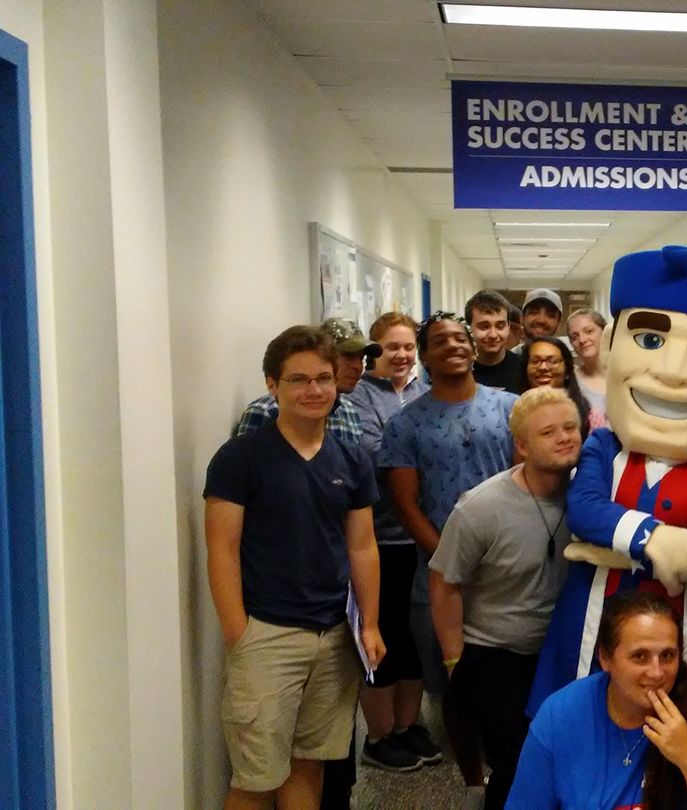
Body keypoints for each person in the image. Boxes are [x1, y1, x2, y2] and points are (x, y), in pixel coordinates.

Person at [530, 246, 687, 721]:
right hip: (595, 631)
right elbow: (585, 509)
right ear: (609, 345)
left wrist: (609, 547)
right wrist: (655, 539)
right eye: (649, 340)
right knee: (582, 738)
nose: (671, 371)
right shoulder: (604, 447)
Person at [203, 325, 385, 810]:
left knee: (311, 764)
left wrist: (370, 624)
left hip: (334, 635)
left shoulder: (352, 457)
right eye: (299, 380)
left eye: (323, 379)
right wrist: (237, 633)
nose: (314, 390)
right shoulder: (240, 459)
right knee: (256, 778)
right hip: (267, 634)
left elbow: (363, 547)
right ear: (272, 385)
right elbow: (221, 549)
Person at [430, 387, 583, 810]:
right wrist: (454, 659)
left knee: (564, 761)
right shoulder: (480, 507)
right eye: (548, 432)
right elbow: (444, 581)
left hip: (562, 653)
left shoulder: (589, 498)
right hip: (496, 654)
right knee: (517, 766)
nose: (564, 438)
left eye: (570, 427)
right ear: (521, 445)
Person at [510, 590, 687, 809]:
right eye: (640, 656)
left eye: (667, 656)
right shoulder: (561, 715)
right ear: (605, 658)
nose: (657, 672)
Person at [378, 312, 519, 699]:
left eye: (460, 338)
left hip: (507, 567)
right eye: (440, 341)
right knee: (450, 682)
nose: (453, 345)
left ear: (473, 350)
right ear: (424, 357)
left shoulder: (511, 408)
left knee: (510, 676)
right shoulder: (406, 424)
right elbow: (404, 503)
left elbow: (527, 482)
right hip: (439, 570)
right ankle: (463, 758)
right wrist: (449, 558)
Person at [346, 313, 440, 773]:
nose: (401, 355)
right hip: (378, 538)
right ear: (373, 351)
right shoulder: (358, 397)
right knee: (381, 635)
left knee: (416, 636)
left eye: (408, 347)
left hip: (421, 536)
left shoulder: (425, 392)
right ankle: (379, 735)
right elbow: (374, 453)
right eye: (391, 347)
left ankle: (408, 725)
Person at [233, 317, 379, 444]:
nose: (357, 366)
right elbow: (245, 466)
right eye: (348, 356)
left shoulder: (349, 412)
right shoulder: (266, 411)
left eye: (361, 358)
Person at [520, 336, 598, 438]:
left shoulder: (589, 416)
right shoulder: (514, 411)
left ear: (567, 371)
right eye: (535, 361)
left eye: (552, 361)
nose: (543, 367)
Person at [468, 290, 526, 394]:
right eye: (484, 327)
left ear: (508, 327)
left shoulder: (524, 369)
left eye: (500, 326)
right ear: (468, 328)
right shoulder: (458, 371)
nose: (493, 335)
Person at [567, 308, 609, 423]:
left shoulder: (625, 374)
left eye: (589, 331)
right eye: (574, 337)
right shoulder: (571, 381)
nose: (582, 340)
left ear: (605, 331)